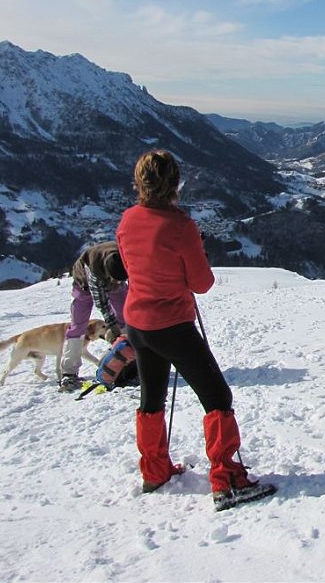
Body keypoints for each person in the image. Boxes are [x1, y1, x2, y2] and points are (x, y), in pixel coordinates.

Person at [116, 149, 274, 510]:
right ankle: (227, 479)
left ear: (139, 182)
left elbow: (130, 266)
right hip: (172, 324)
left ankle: (154, 470)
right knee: (217, 397)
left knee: (151, 398)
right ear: (176, 183)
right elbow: (201, 283)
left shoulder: (128, 219)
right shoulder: (181, 226)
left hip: (137, 323)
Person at [58, 241, 128, 392]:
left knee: (126, 316)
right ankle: (69, 372)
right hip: (82, 284)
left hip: (115, 280)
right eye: (114, 279)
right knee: (78, 326)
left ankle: (125, 362)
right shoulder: (94, 269)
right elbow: (102, 303)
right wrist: (112, 327)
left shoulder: (127, 259)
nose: (116, 282)